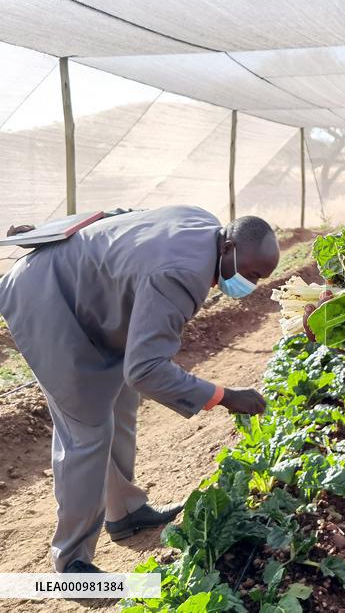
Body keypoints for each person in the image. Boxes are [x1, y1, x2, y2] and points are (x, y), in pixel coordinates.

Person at [0, 206, 277, 573]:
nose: (251, 283)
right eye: (251, 272)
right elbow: (146, 370)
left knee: (120, 403)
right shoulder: (183, 274)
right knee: (87, 429)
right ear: (227, 247)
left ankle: (125, 512)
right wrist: (225, 396)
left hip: (88, 296)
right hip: (46, 302)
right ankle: (71, 563)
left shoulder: (203, 222)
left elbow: (123, 216)